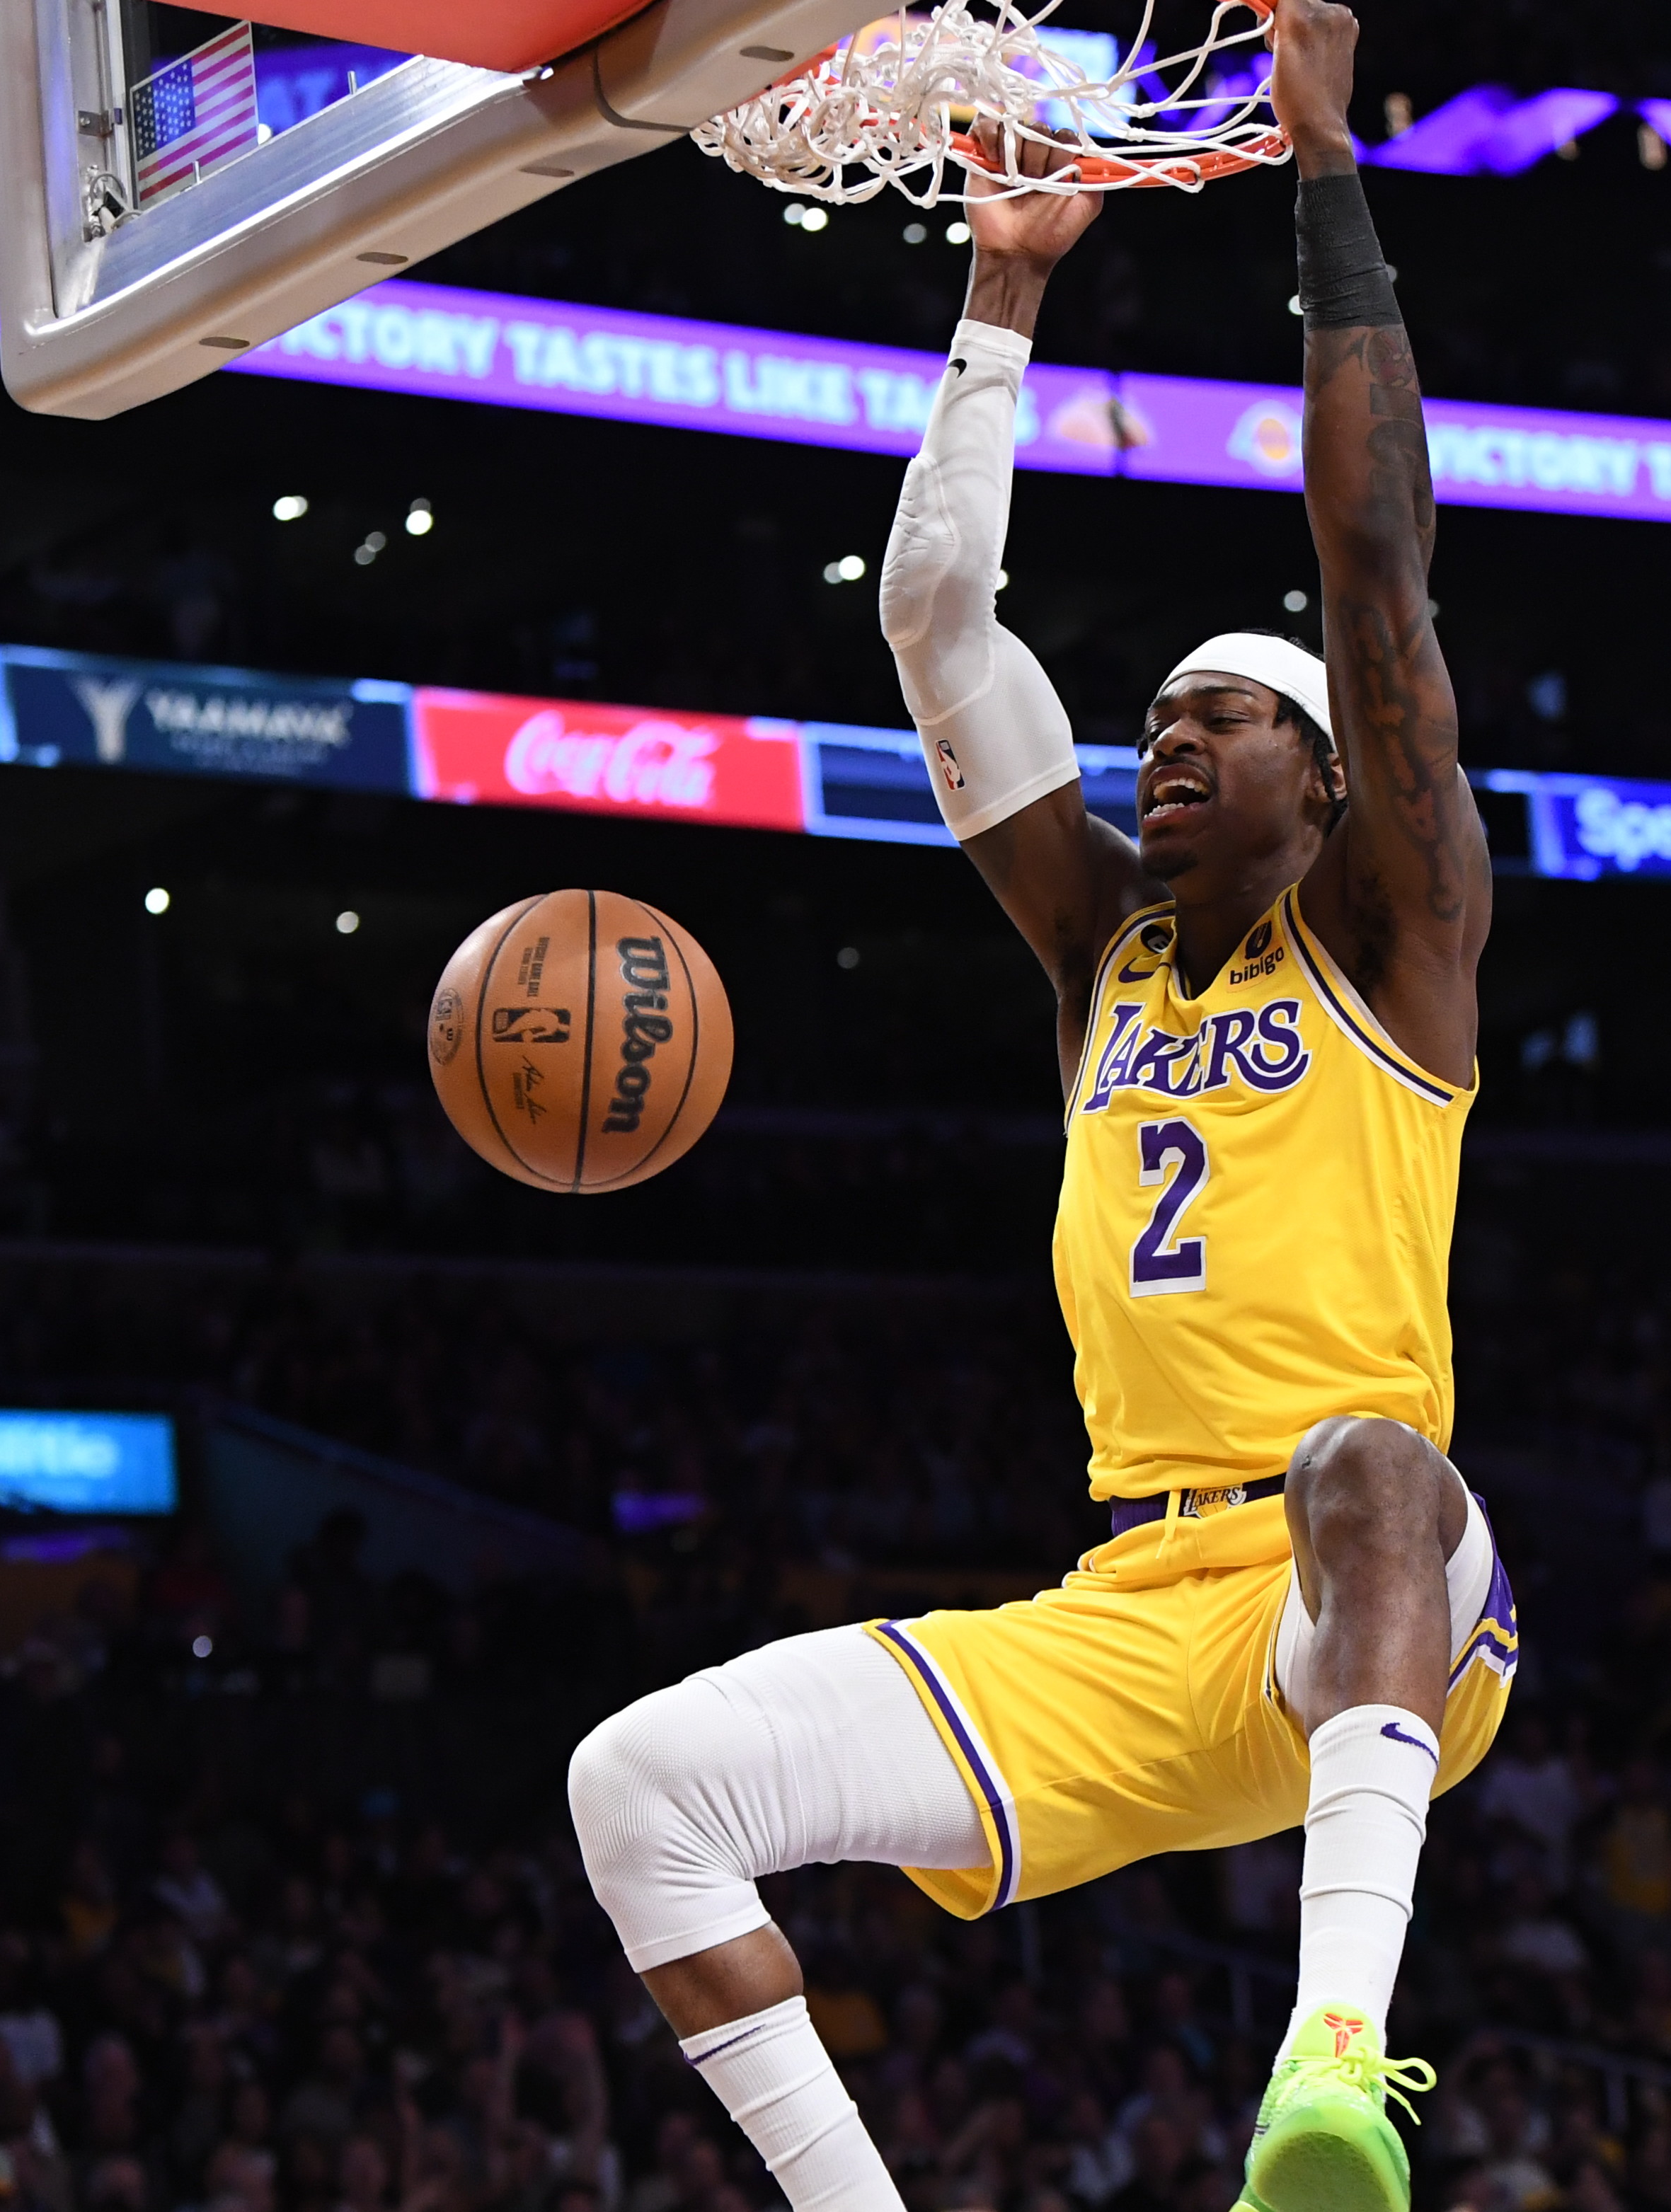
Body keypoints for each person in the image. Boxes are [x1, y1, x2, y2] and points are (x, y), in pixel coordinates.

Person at [558, 8, 1508, 2212]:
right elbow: (936, 624)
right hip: (1123, 1616)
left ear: (1330, 781)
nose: (1164, 742)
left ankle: (1340, 2061)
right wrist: (1003, 292)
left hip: (1366, 1597)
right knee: (641, 1783)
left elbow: (1376, 577)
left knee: (1377, 1458)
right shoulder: (1102, 955)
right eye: (1152, 718)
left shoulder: (1395, 936)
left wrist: (1323, 170)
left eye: (1218, 723)